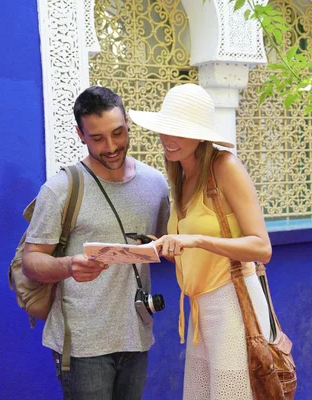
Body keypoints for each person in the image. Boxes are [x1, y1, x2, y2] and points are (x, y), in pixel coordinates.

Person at [22, 86, 170, 399]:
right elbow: (31, 262)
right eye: (98, 138)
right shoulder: (61, 188)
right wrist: (68, 266)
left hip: (137, 334)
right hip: (82, 345)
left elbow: (163, 246)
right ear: (80, 134)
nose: (112, 146)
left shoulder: (156, 185)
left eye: (118, 133)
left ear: (128, 121)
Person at [129, 83, 272, 400]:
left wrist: (198, 240)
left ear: (201, 134)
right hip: (199, 307)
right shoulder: (180, 175)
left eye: (179, 131)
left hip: (233, 302)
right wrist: (162, 247)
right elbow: (192, 248)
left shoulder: (225, 167)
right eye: (165, 129)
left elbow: (262, 247)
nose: (168, 139)